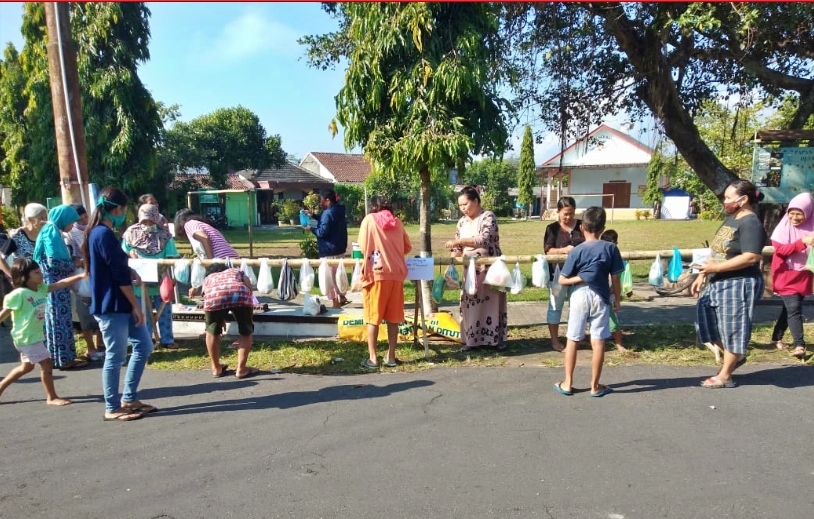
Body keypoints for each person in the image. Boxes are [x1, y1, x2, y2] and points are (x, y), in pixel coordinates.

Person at [83, 187, 156, 422]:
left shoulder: (102, 233)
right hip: (112, 304)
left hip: (120, 303)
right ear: (116, 209)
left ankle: (129, 397)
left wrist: (129, 268)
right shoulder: (101, 234)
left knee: (144, 346)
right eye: (124, 210)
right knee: (115, 357)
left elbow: (116, 265)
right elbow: (117, 275)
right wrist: (136, 305)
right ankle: (112, 407)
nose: (125, 214)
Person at [691, 180, 766, 389]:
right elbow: (717, 252)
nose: (725, 202)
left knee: (732, 328)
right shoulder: (731, 219)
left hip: (739, 283)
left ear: (743, 200)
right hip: (716, 281)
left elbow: (751, 257)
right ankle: (736, 355)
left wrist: (715, 269)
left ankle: (726, 376)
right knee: (705, 324)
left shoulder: (751, 223)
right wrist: (702, 275)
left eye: (728, 198)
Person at [553, 207, 623, 398]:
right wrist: (617, 299)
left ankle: (567, 383)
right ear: (603, 228)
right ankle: (595, 385)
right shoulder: (611, 248)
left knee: (573, 338)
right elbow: (616, 278)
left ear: (581, 227)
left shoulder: (577, 251)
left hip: (579, 296)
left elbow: (562, 280)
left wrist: (581, 278)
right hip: (601, 296)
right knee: (598, 340)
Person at [0, 258, 86, 405]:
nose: (40, 275)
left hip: (33, 336)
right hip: (26, 337)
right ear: (24, 276)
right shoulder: (19, 294)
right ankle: (51, 397)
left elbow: (60, 284)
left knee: (26, 367)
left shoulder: (40, 289)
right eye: (36, 272)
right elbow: (4, 313)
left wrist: (80, 276)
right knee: (46, 364)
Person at [444, 186, 507, 351]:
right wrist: (452, 258)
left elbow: (485, 239)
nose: (463, 208)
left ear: (476, 201)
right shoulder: (461, 222)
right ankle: (471, 341)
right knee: (470, 304)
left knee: (492, 304)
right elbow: (457, 248)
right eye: (460, 205)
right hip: (469, 271)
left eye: (465, 204)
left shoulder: (488, 217)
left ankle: (494, 341)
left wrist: (458, 242)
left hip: (490, 270)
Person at [358, 195, 411, 369]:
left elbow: (363, 246)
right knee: (393, 319)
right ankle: (391, 357)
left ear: (374, 207)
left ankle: (373, 359)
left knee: (373, 318)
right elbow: (407, 247)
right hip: (396, 274)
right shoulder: (398, 223)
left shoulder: (368, 221)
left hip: (377, 273)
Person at [34, 204, 86, 370]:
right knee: (59, 321)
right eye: (71, 222)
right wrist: (74, 264)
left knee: (54, 320)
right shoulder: (51, 231)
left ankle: (56, 358)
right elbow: (54, 262)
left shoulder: (52, 230)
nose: (72, 226)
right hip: (54, 284)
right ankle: (63, 359)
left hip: (53, 283)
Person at [122, 204, 181, 349]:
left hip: (160, 279)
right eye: (145, 221)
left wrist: (161, 271)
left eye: (151, 221)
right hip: (138, 279)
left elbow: (171, 257)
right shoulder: (130, 233)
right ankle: (146, 339)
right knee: (143, 312)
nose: (148, 224)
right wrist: (130, 254)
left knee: (165, 310)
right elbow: (124, 253)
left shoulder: (165, 235)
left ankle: (167, 339)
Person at [769, 192, 814, 360]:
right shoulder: (783, 227)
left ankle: (776, 337)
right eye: (791, 213)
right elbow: (780, 250)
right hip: (785, 272)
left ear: (808, 213)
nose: (794, 218)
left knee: (789, 308)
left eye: (799, 214)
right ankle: (799, 345)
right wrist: (802, 242)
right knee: (794, 308)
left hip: (804, 272)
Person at [201, 263, 258, 378]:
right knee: (245, 331)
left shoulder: (208, 278)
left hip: (214, 298)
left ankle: (216, 369)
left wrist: (218, 321)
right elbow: (249, 287)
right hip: (240, 293)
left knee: (211, 332)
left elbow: (206, 297)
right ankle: (241, 369)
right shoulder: (237, 271)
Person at [543, 196, 585, 351]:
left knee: (578, 307)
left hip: (579, 274)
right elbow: (548, 250)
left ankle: (573, 339)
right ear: (558, 212)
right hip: (557, 275)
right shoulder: (552, 229)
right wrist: (564, 250)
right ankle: (554, 341)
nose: (568, 217)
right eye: (565, 214)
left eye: (571, 213)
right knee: (555, 306)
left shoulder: (582, 226)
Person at [64, 204, 104, 361]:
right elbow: (73, 257)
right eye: (80, 219)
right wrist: (82, 262)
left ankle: (101, 343)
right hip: (82, 278)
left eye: (86, 217)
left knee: (101, 310)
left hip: (98, 275)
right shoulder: (69, 234)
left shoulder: (95, 228)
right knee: (85, 314)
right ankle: (90, 347)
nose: (84, 220)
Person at [174, 208, 239, 297]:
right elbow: (204, 259)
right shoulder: (202, 224)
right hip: (230, 259)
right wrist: (196, 287)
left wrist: (212, 264)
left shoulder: (189, 224)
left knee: (221, 296)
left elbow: (205, 238)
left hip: (221, 261)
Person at [305, 189, 349, 308]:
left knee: (329, 277)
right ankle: (342, 296)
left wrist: (312, 229)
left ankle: (335, 302)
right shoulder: (339, 210)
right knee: (338, 275)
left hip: (329, 250)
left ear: (328, 200)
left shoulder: (328, 213)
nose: (321, 203)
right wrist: (313, 215)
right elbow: (328, 222)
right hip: (339, 248)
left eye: (322, 200)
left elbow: (323, 232)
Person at [0, 203, 49, 279]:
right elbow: (1, 259)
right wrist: (14, 277)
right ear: (30, 219)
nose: (44, 221)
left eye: (46, 217)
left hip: (47, 281)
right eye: (41, 218)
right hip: (27, 282)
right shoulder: (18, 236)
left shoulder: (47, 233)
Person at [600, 229, 628, 352]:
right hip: (606, 292)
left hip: (594, 289)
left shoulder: (596, 249)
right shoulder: (613, 252)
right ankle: (619, 344)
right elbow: (615, 278)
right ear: (615, 242)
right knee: (612, 318)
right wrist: (617, 297)